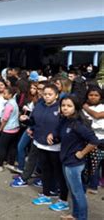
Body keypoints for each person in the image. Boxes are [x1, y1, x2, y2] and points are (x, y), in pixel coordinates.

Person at [58, 95, 99, 220]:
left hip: (74, 164)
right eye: (63, 105)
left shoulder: (78, 124)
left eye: (69, 106)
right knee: (73, 191)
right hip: (66, 160)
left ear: (76, 108)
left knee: (78, 192)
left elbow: (94, 141)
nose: (65, 108)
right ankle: (75, 215)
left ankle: (82, 217)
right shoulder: (66, 120)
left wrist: (82, 153)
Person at [30, 84, 69, 212]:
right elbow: (34, 120)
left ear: (56, 95)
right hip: (40, 143)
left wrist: (56, 137)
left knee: (59, 173)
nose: (46, 96)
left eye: (50, 94)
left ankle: (63, 200)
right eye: (45, 94)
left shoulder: (61, 107)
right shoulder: (39, 104)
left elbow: (64, 126)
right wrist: (30, 128)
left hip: (56, 146)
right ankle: (46, 195)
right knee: (45, 170)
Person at [0, 87, 20, 171]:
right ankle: (11, 163)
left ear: (10, 95)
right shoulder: (14, 102)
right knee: (12, 147)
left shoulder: (9, 105)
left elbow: (5, 118)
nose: (4, 94)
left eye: (5, 93)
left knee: (2, 147)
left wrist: (1, 127)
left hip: (8, 129)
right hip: (15, 128)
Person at [82, 86, 104, 194]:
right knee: (89, 163)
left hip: (100, 138)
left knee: (95, 163)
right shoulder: (84, 107)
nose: (93, 97)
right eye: (91, 95)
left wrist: (86, 108)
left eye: (96, 95)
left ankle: (93, 186)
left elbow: (97, 116)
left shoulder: (101, 107)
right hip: (87, 138)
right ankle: (89, 184)